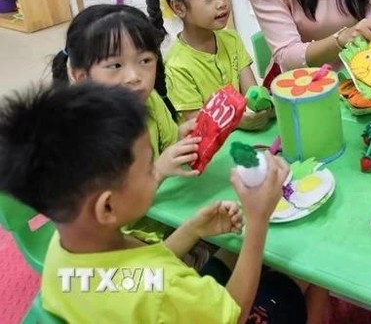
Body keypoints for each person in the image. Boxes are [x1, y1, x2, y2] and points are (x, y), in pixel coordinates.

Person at [0, 82, 307, 323]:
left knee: (228, 251)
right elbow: (233, 314)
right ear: (107, 207)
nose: (156, 169)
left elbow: (131, 275)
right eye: (149, 167)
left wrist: (192, 228)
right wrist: (258, 221)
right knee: (300, 276)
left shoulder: (63, 249)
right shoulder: (161, 293)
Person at [52, 4, 198, 183]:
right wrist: (158, 171)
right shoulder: (85, 135)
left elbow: (167, 148)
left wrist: (180, 139)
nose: (134, 77)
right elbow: (111, 205)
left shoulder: (150, 100)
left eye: (145, 60)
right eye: (116, 66)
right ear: (83, 77)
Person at [146, 0, 271, 130]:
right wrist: (237, 122)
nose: (222, 3)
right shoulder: (176, 66)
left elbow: (251, 93)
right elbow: (196, 124)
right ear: (179, 7)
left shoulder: (231, 39)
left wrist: (264, 106)